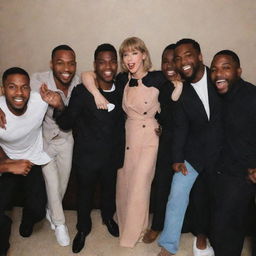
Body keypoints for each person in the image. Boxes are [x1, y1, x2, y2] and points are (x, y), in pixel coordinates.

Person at [54, 43, 124, 253]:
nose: (108, 66)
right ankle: (83, 228)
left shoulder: (121, 87)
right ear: (95, 65)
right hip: (87, 158)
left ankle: (108, 219)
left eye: (112, 60)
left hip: (111, 155)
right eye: (102, 62)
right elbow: (66, 123)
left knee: (109, 193)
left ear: (117, 64)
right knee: (84, 196)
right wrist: (58, 106)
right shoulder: (82, 92)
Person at [157, 38, 222, 256]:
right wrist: (177, 159)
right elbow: (180, 127)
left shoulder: (218, 78)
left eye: (188, 55)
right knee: (176, 194)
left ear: (200, 56)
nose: (183, 61)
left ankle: (204, 236)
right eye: (178, 58)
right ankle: (168, 245)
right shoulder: (181, 89)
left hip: (221, 153)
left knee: (216, 197)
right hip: (193, 154)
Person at [0, 67, 62, 256]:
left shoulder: (38, 101)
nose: (19, 93)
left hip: (32, 159)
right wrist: (7, 165)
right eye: (12, 87)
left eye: (24, 87)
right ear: (3, 90)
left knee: (37, 210)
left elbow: (65, 112)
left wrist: (59, 104)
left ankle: (27, 221)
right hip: (7, 160)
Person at [29, 45, 79, 246]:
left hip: (67, 138)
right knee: (52, 182)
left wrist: (60, 103)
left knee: (63, 183)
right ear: (52, 64)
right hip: (45, 139)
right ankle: (60, 224)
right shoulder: (38, 81)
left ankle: (51, 210)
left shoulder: (79, 84)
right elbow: (15, 93)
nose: (66, 68)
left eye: (71, 63)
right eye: (60, 62)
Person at [209, 50, 256, 256]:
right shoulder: (217, 94)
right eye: (214, 69)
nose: (219, 73)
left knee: (227, 227)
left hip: (244, 173)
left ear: (238, 71)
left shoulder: (251, 97)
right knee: (220, 228)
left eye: (225, 68)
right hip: (220, 170)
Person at [143, 43, 182, 243]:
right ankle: (156, 225)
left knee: (181, 191)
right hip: (166, 143)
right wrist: (160, 125)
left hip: (188, 145)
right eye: (164, 61)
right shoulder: (162, 83)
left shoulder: (189, 84)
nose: (168, 66)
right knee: (161, 185)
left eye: (172, 60)